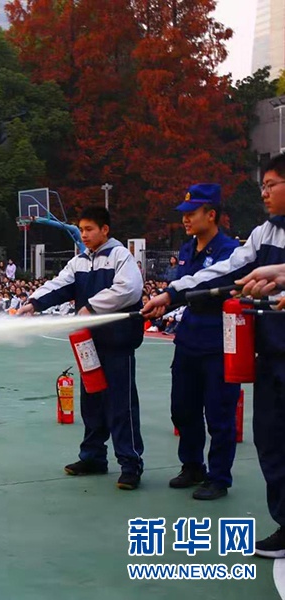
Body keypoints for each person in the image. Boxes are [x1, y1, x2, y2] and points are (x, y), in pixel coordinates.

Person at [143, 154, 285, 556]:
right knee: (270, 440)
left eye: (271, 184)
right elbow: (225, 271)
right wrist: (171, 294)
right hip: (271, 352)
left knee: (222, 414)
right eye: (263, 185)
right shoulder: (263, 234)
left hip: (228, 345)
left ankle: (217, 475)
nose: (264, 193)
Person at [18, 206, 145, 490]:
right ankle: (93, 457)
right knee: (92, 402)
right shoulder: (80, 261)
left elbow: (128, 290)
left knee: (121, 405)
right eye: (82, 229)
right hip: (89, 344)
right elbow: (59, 284)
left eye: (89, 229)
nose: (84, 235)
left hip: (116, 344)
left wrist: (90, 307)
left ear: (105, 230)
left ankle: (130, 463)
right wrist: (33, 303)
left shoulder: (120, 257)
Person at [163, 184, 241, 501]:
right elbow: (178, 289)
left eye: (192, 213)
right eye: (184, 214)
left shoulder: (229, 252)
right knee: (183, 408)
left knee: (219, 413)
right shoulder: (186, 250)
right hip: (189, 335)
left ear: (211, 215)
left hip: (219, 338)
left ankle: (219, 477)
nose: (186, 220)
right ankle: (192, 465)